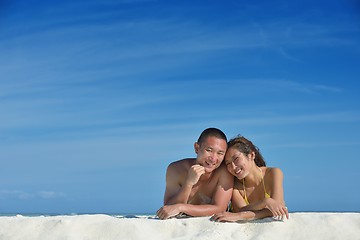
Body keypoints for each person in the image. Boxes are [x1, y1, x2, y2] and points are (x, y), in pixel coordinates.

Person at [156, 128, 234, 220]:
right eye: (209, 150)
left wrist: (181, 207)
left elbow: (220, 209)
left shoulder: (224, 172)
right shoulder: (175, 169)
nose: (213, 158)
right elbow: (168, 209)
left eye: (220, 153)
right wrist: (188, 183)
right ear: (197, 148)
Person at [211, 135, 289, 222]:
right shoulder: (235, 184)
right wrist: (265, 202)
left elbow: (277, 207)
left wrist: (239, 215)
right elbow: (241, 210)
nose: (233, 167)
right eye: (228, 163)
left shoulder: (273, 173)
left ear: (251, 155)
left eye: (236, 159)